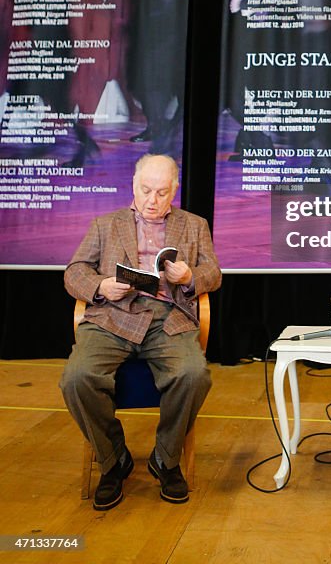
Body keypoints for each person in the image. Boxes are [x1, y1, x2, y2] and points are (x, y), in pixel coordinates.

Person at [60, 154, 222, 510]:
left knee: (193, 374)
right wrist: (101, 285)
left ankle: (165, 458)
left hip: (168, 318)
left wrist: (189, 277)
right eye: (145, 190)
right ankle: (113, 458)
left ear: (174, 190)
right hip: (112, 316)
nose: (152, 200)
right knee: (77, 378)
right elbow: (73, 272)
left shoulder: (194, 225)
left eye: (162, 192)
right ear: (132, 185)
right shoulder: (105, 224)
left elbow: (213, 272)